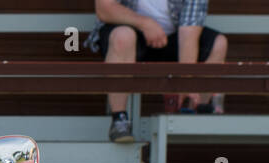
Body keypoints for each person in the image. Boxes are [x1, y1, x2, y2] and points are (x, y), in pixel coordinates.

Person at [89, 0, 228, 143]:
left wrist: (185, 80)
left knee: (218, 43)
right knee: (123, 36)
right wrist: (145, 23)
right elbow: (105, 9)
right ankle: (119, 120)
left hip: (171, 40)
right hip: (130, 34)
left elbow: (189, 32)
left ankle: (193, 112)